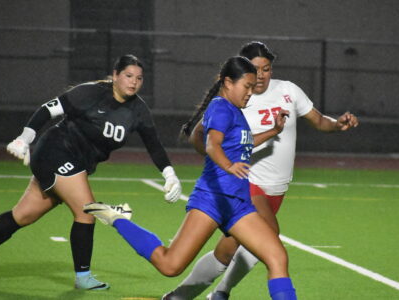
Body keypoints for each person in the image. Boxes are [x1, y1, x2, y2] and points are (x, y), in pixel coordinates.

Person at [0, 54, 182, 290]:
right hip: (55, 151)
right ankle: (83, 277)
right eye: (128, 76)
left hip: (76, 163)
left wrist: (169, 174)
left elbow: (153, 144)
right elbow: (48, 109)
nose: (134, 82)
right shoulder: (90, 93)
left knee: (22, 215)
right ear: (115, 76)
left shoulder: (138, 110)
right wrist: (24, 138)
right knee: (87, 211)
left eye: (139, 78)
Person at [83, 56, 297, 300]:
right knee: (170, 265)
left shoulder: (236, 111)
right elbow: (212, 145)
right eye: (246, 86)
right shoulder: (220, 108)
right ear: (228, 83)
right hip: (213, 199)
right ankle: (117, 218)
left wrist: (274, 131)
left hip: (238, 204)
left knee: (277, 257)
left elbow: (243, 144)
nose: (250, 92)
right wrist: (229, 166)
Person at [163, 41, 359, 300]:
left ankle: (180, 296)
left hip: (277, 189)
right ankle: (220, 293)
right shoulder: (236, 97)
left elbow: (319, 121)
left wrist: (338, 124)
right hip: (248, 183)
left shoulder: (288, 90)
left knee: (229, 250)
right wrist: (223, 163)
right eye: (256, 69)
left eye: (267, 68)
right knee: (272, 242)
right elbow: (199, 136)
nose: (262, 75)